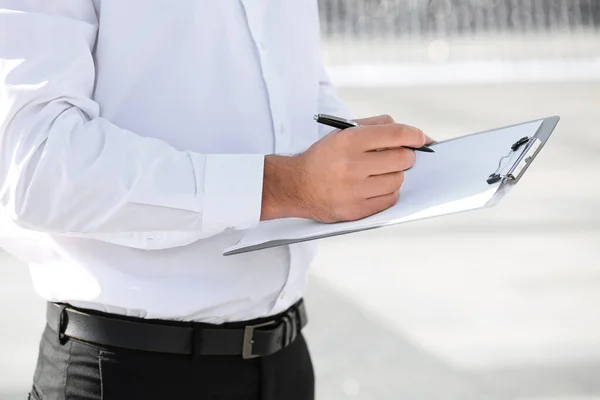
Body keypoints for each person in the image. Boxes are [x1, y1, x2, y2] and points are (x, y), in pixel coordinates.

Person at [0, 2, 428, 399]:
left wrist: (361, 158)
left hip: (284, 362)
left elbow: (299, 97)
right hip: (126, 370)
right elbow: (37, 163)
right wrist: (283, 185)